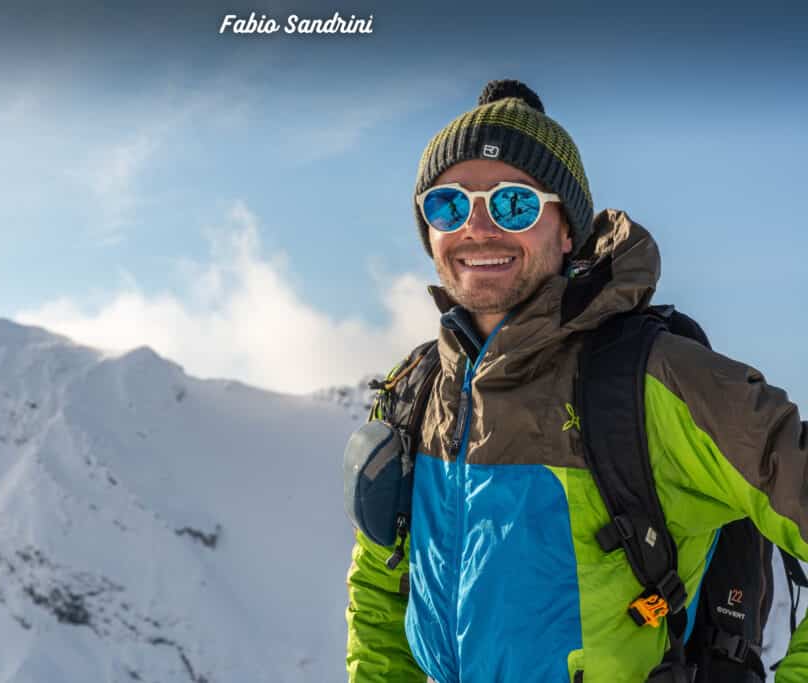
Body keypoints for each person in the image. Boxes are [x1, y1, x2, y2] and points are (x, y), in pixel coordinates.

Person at [344, 79, 808, 682]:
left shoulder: (656, 381)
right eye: (449, 205)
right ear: (428, 229)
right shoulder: (416, 394)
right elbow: (381, 596)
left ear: (567, 231)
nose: (478, 228)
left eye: (515, 204)